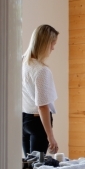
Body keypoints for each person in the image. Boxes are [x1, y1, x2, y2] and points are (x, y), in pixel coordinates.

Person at [22, 24, 59, 156]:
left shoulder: (21, 63)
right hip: (37, 123)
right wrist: (50, 137)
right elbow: (42, 106)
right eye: (52, 44)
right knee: (38, 168)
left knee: (29, 167)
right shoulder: (42, 70)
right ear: (45, 44)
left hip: (23, 120)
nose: (53, 48)